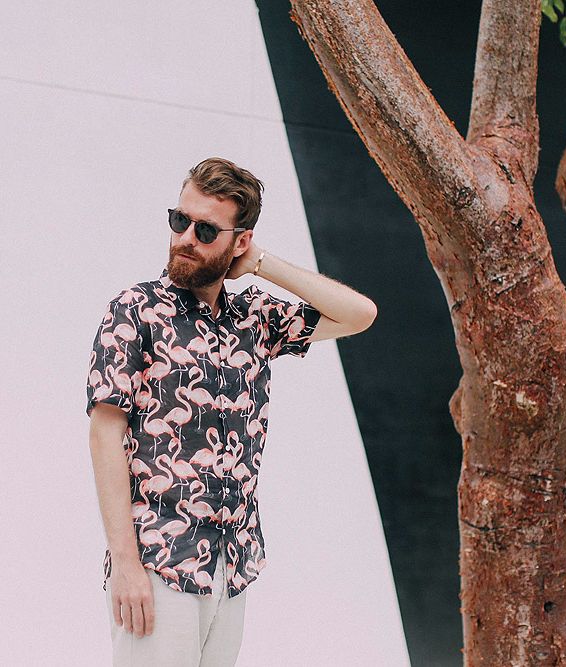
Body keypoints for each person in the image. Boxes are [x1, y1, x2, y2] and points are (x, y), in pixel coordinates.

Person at [86, 157, 377, 666]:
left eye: (205, 230)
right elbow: (104, 434)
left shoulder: (255, 320)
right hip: (160, 561)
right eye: (179, 220)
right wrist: (126, 564)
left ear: (239, 241)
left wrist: (262, 264)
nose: (185, 238)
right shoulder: (135, 311)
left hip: (231, 563)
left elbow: (359, 315)